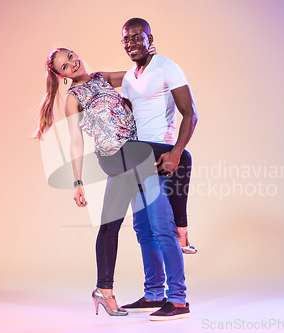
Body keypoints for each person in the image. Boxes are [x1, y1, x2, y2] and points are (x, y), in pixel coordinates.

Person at [33, 48, 189, 320]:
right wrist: (78, 181)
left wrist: (150, 57)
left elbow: (135, 78)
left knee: (114, 224)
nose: (73, 63)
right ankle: (183, 229)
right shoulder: (73, 98)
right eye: (65, 66)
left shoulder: (101, 77)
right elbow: (76, 139)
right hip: (116, 156)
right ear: (62, 77)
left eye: (71, 56)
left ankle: (110, 291)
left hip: (131, 158)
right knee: (182, 155)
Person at [118, 18, 198, 317]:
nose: (131, 43)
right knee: (142, 228)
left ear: (150, 37)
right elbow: (127, 121)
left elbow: (190, 113)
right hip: (136, 157)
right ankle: (154, 292)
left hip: (162, 155)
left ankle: (177, 299)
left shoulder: (167, 67)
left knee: (162, 228)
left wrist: (176, 152)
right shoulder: (128, 77)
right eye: (126, 39)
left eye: (137, 37)